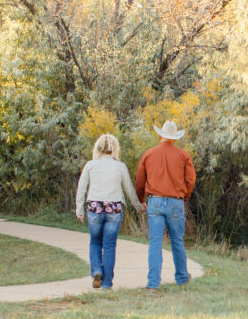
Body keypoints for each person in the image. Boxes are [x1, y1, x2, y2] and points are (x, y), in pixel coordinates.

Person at [75, 133, 145, 290]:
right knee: (109, 245)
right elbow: (129, 190)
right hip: (114, 208)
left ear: (98, 148)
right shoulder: (120, 166)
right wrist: (139, 207)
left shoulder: (90, 165)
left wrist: (79, 209)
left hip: (95, 207)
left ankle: (97, 271)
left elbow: (81, 188)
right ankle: (106, 283)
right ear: (115, 148)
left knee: (94, 242)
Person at [135, 120, 196, 291]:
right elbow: (190, 181)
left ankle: (153, 283)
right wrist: (184, 197)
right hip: (175, 201)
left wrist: (140, 200)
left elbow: (140, 181)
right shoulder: (184, 156)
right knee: (177, 241)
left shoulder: (149, 154)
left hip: (155, 200)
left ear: (160, 135)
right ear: (174, 138)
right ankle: (182, 277)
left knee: (155, 242)